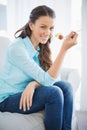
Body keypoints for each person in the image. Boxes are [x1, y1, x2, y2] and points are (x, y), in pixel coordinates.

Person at [0, 5, 78, 130]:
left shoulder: (40, 47)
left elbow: (53, 77)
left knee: (66, 87)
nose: (48, 33)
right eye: (43, 27)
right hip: (7, 99)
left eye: (51, 28)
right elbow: (47, 80)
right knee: (54, 93)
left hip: (27, 91)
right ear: (31, 25)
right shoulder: (17, 49)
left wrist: (33, 84)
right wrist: (64, 50)